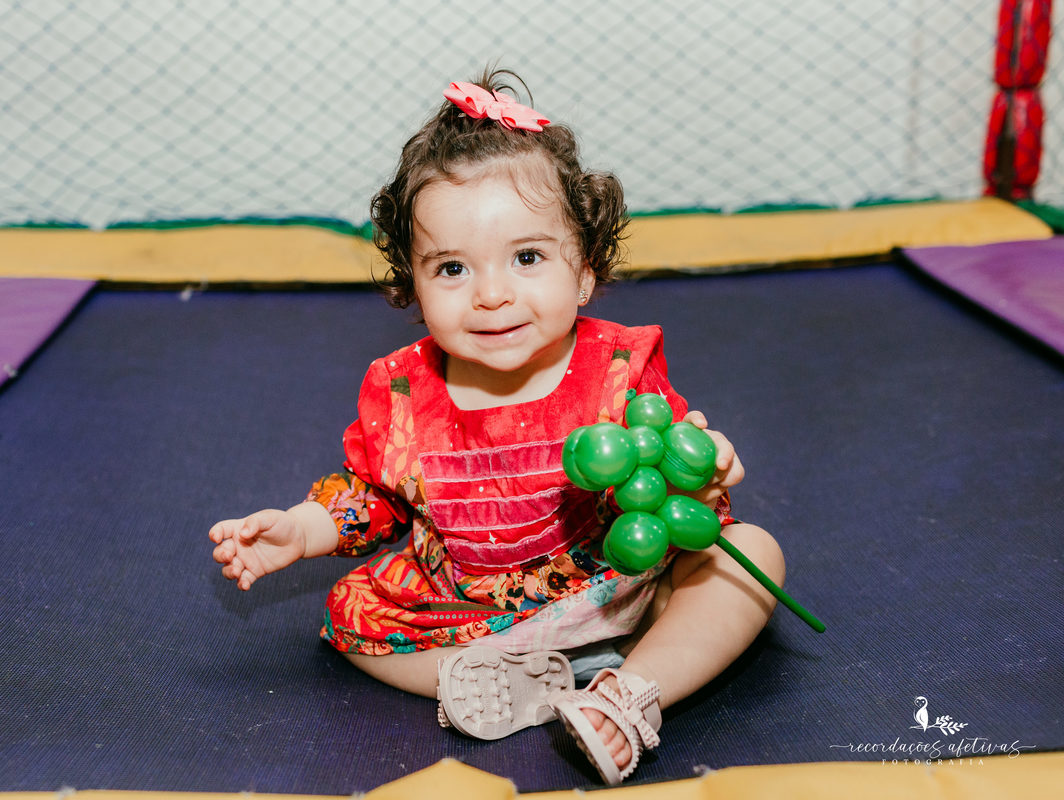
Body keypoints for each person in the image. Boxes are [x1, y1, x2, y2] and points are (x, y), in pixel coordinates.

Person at [209, 68, 785, 786]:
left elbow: (667, 476)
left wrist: (702, 467)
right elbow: (375, 497)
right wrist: (301, 530)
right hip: (475, 614)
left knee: (749, 557)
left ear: (585, 270)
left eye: (528, 258)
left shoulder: (615, 369)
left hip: (623, 585)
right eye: (451, 268)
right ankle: (535, 688)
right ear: (411, 283)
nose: (491, 294)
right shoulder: (404, 390)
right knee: (348, 616)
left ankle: (632, 695)